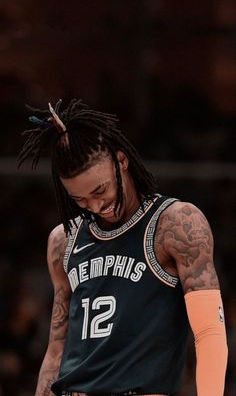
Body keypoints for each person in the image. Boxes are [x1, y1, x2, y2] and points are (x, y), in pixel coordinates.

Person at [18, 99, 228, 396]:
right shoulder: (63, 240)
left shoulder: (176, 224)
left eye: (99, 190)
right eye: (79, 200)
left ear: (122, 160)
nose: (96, 205)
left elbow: (209, 333)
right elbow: (57, 348)